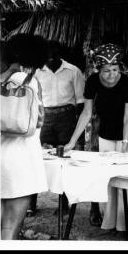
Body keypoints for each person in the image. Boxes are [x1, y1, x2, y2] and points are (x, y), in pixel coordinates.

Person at [63, 43, 128, 227]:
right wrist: (72, 141)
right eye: (106, 71)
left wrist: (125, 146)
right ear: (99, 69)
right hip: (105, 135)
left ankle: (125, 225)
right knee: (108, 180)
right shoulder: (92, 81)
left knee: (124, 181)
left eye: (115, 69)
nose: (111, 74)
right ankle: (110, 222)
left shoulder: (127, 83)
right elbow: (86, 113)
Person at [0, 34, 49, 239]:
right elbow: (38, 121)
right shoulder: (27, 82)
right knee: (10, 227)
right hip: (20, 159)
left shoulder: (0, 78)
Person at [29, 41, 85, 217]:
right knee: (37, 158)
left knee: (64, 161)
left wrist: (78, 129)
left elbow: (81, 102)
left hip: (66, 117)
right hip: (45, 116)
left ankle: (63, 204)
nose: (50, 60)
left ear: (61, 55)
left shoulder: (73, 71)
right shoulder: (36, 72)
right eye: (47, 57)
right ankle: (31, 203)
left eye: (54, 56)